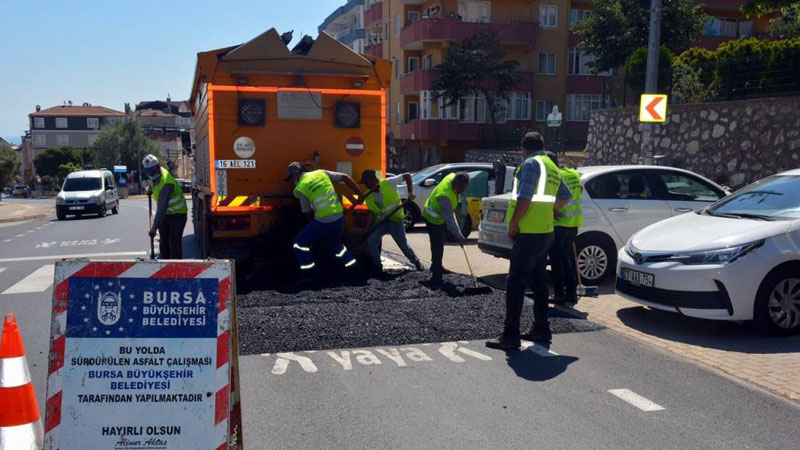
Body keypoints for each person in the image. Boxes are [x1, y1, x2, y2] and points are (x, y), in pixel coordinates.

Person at [485, 133, 572, 350]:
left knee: (515, 283)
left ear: (524, 149)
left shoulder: (532, 164)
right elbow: (565, 195)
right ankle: (541, 329)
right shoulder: (551, 166)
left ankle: (510, 335)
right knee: (539, 282)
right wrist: (548, 211)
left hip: (529, 233)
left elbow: (525, 197)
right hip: (545, 233)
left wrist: (514, 224)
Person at [285, 162, 362, 273]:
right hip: (339, 217)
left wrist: (315, 232)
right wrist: (359, 193)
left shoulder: (300, 188)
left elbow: (307, 213)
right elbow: (345, 177)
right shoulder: (321, 173)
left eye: (291, 178)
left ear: (296, 173)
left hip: (323, 221)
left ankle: (309, 273)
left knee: (299, 243)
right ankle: (354, 268)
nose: (291, 182)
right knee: (336, 244)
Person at [359, 170, 423, 272]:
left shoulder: (388, 183)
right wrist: (367, 228)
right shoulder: (368, 194)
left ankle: (417, 262)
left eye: (367, 182)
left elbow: (407, 175)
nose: (365, 185)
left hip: (396, 221)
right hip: (382, 223)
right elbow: (372, 212)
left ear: (373, 180)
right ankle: (377, 266)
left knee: (403, 245)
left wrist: (410, 192)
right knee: (371, 240)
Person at [548, 152, 583, 306]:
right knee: (566, 260)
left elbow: (551, 199)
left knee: (557, 261)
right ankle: (571, 293)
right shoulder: (573, 174)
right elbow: (580, 190)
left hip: (559, 224)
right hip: (573, 224)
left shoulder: (554, 177)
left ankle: (559, 294)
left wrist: (551, 209)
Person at [422, 171, 470, 283]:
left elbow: (451, 215)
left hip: (440, 216)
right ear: (456, 184)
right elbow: (449, 219)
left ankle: (437, 265)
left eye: (464, 188)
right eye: (461, 188)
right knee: (437, 244)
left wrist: (458, 234)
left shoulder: (452, 176)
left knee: (439, 242)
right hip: (432, 218)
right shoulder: (445, 196)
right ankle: (436, 274)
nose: (462, 191)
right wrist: (459, 236)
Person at [142, 154, 188, 259]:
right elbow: (154, 183)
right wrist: (149, 189)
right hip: (167, 214)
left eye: (152, 172)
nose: (150, 175)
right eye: (148, 173)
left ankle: (176, 269)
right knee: (164, 244)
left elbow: (161, 209)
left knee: (174, 244)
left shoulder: (167, 183)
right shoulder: (156, 175)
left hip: (178, 215)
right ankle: (164, 267)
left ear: (157, 168)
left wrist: (154, 228)